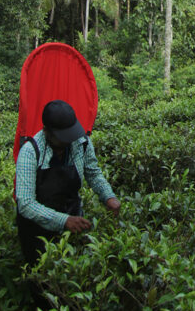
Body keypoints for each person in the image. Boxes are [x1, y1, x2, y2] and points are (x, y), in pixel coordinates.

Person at [15, 99, 120, 265]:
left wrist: (108, 196)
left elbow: (93, 173)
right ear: (47, 131)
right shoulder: (30, 152)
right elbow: (26, 203)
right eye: (62, 138)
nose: (68, 141)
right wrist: (63, 220)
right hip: (36, 231)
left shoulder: (81, 143)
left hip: (72, 219)